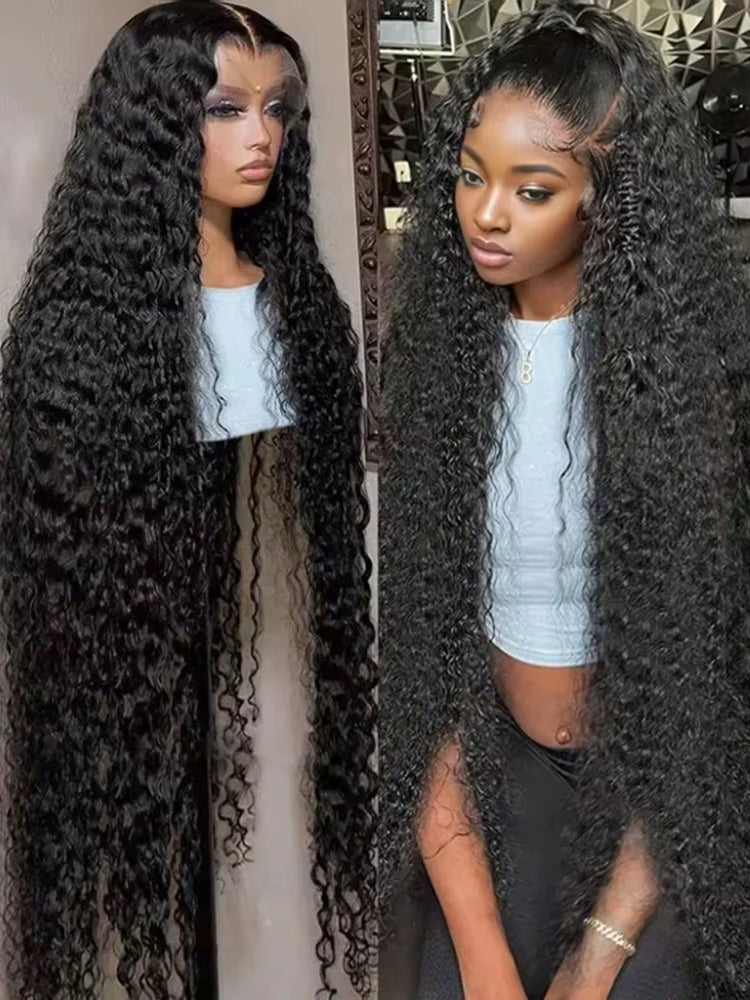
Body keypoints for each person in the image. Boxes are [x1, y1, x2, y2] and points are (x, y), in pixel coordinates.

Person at [0, 4, 376, 998]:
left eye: (277, 109)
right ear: (154, 123)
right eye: (225, 108)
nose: (262, 136)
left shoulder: (292, 307)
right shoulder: (89, 329)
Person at [380, 2, 750, 998]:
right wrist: (480, 945)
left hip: (654, 810)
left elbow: (695, 705)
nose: (486, 213)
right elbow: (424, 674)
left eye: (532, 188)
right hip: (492, 783)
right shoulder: (443, 371)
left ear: (604, 195)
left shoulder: (678, 390)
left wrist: (598, 955)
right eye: (470, 175)